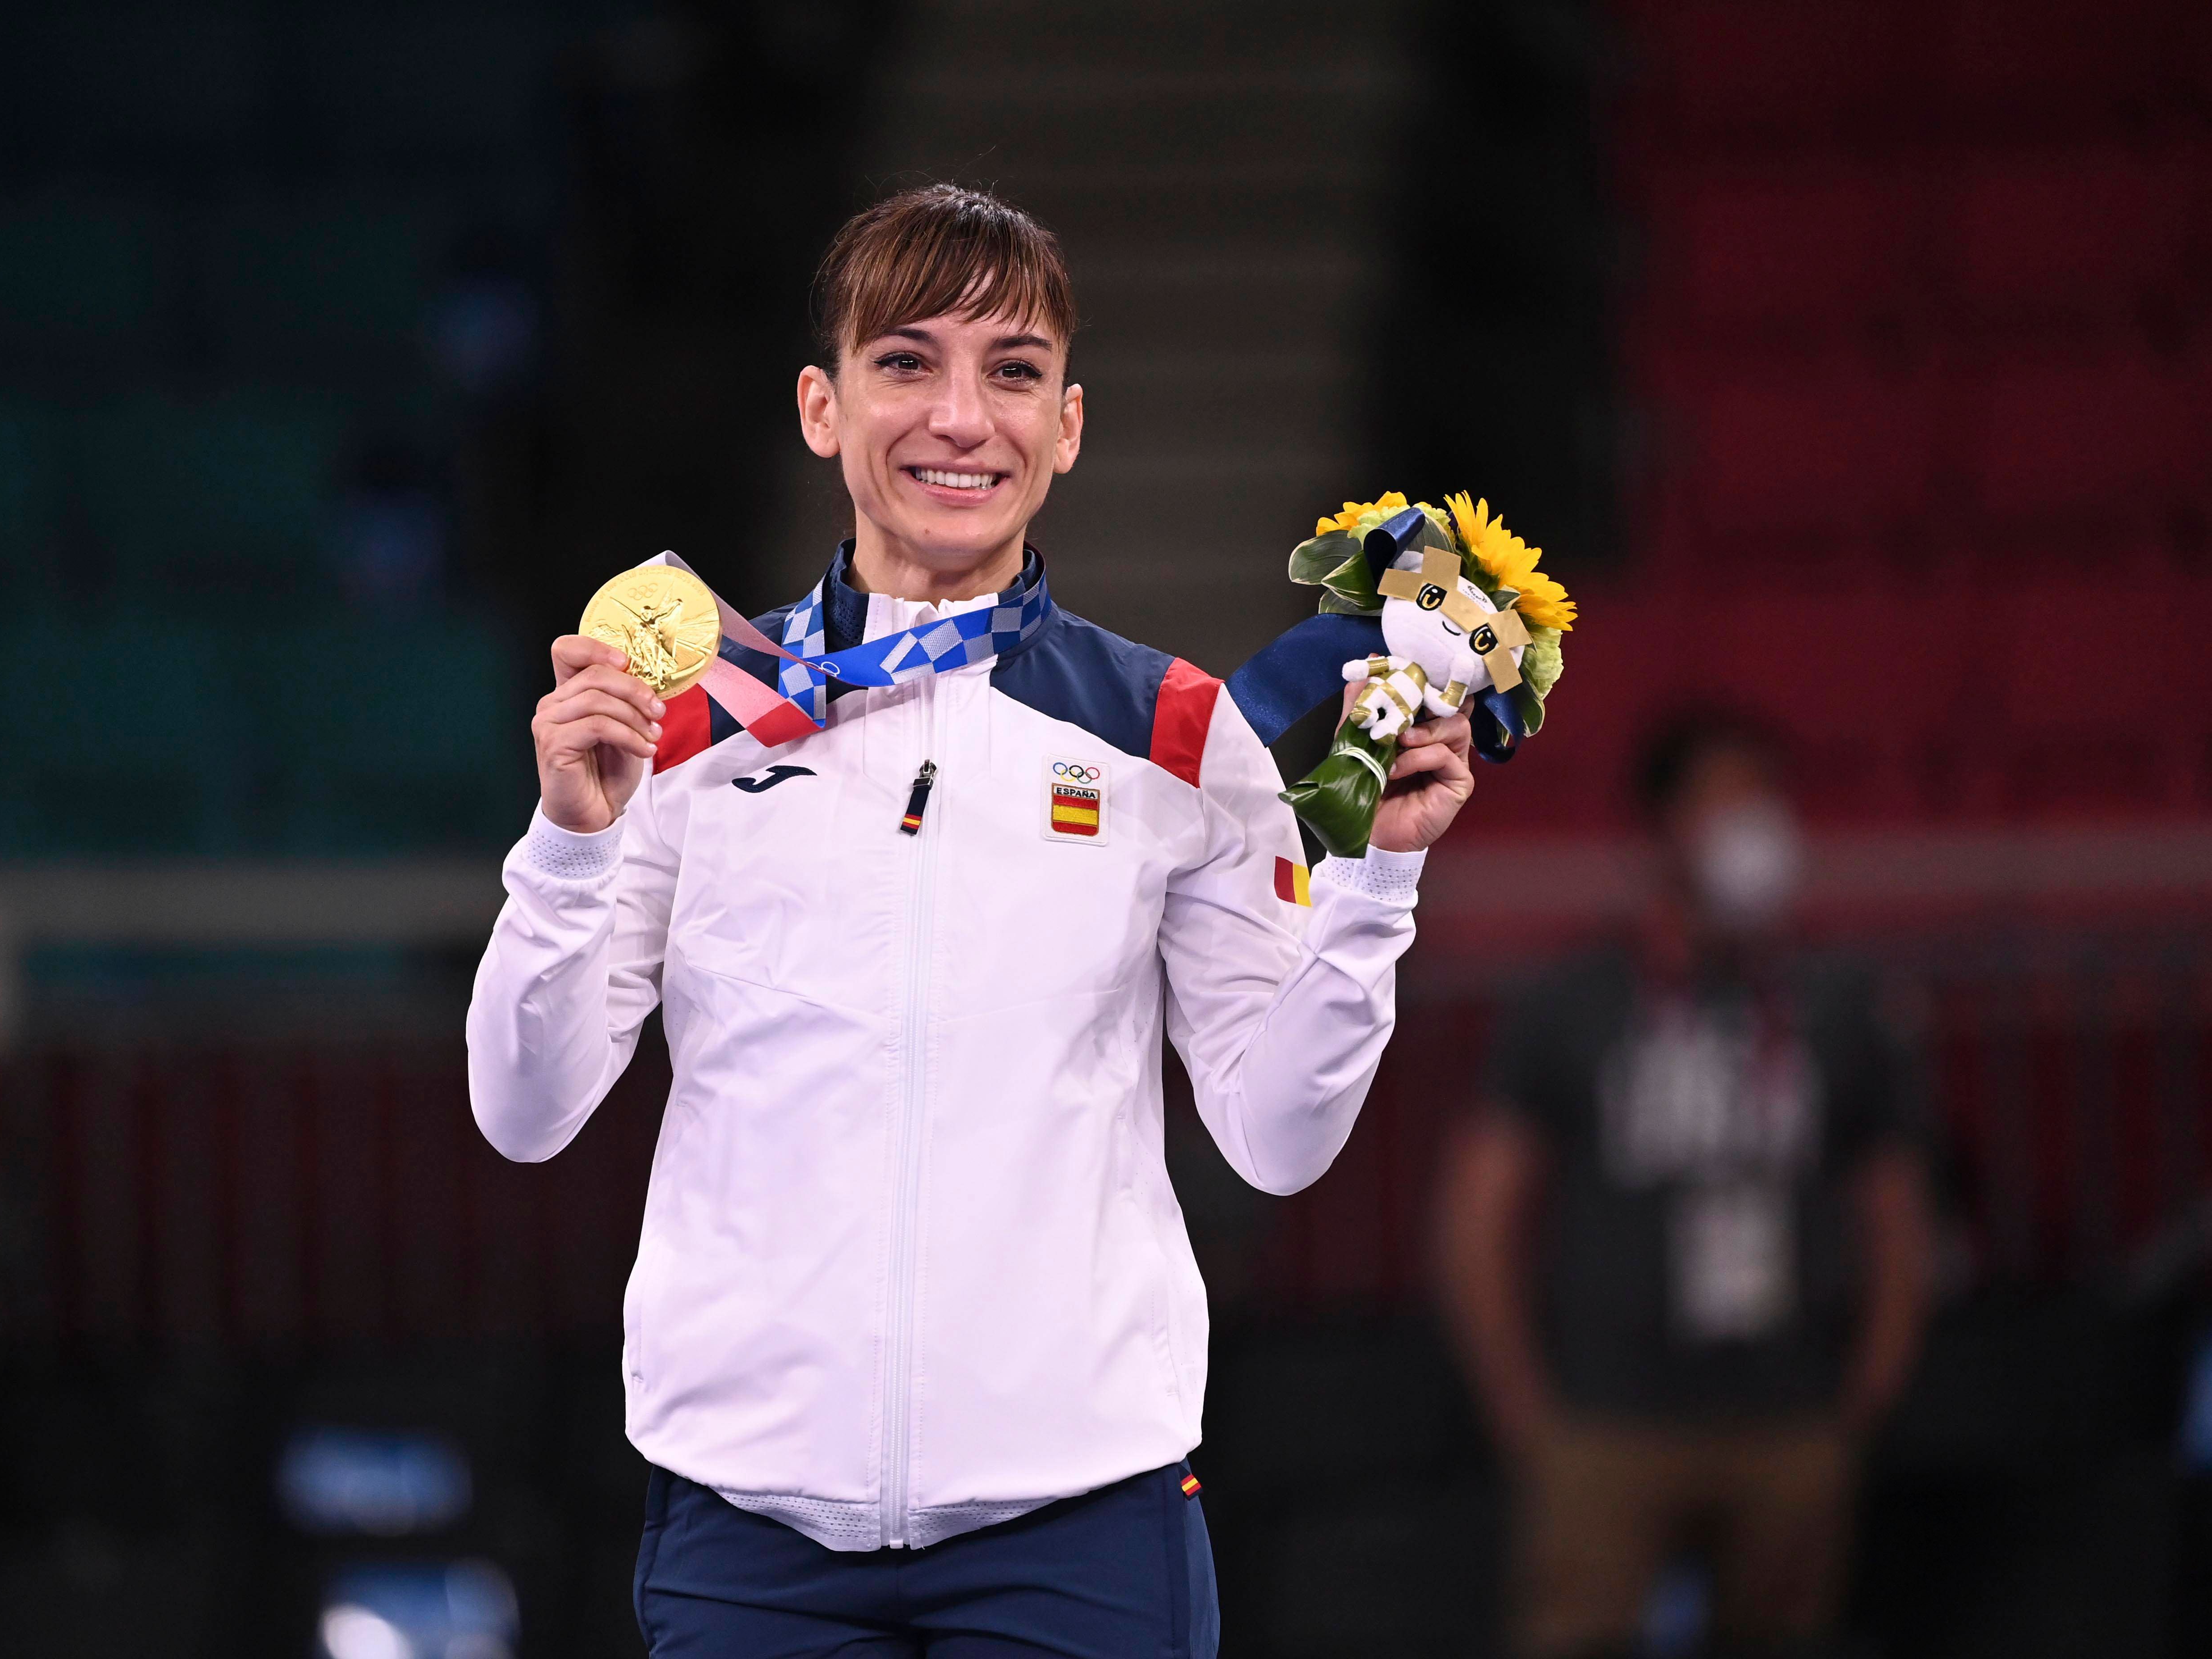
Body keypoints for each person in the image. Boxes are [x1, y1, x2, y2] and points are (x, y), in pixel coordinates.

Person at [466, 184, 1481, 1657]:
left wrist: (1374, 881)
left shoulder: (1175, 734)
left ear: (1065, 425)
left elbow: (1274, 1135)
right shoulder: (686, 723)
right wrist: (566, 839)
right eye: (905, 362)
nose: (960, 417)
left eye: (1010, 370)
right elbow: (524, 1109)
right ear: (821, 408)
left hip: (1078, 1531)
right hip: (750, 1537)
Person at [1436, 714, 1935, 1659]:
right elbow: (1479, 1211)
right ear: (1665, 825)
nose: (1754, 822)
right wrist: (1522, 1406)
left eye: (1766, 797)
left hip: (1789, 1417)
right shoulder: (1574, 1002)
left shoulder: (1835, 1002)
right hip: (1607, 1421)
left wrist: (1872, 1381)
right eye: (1725, 798)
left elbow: (1896, 1203)